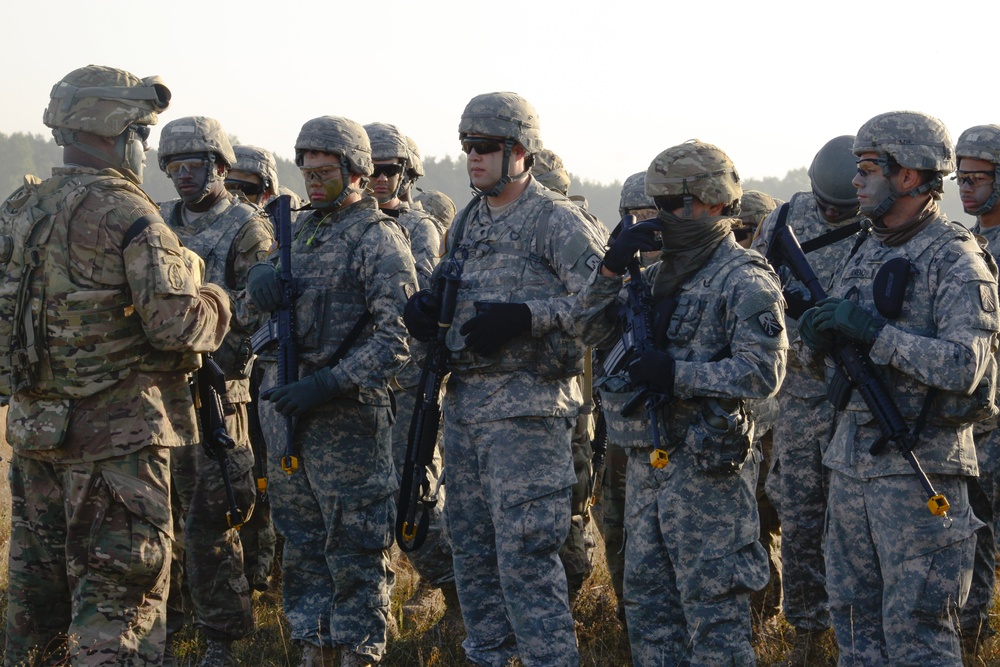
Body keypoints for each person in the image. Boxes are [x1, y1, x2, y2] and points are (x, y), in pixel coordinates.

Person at [2, 64, 231, 666]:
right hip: (119, 446)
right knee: (118, 610)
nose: (145, 147)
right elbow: (175, 326)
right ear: (113, 129)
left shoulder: (20, 210)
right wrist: (216, 299)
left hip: (35, 438)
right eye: (140, 131)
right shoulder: (128, 214)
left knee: (36, 614)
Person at [402, 91, 605, 666]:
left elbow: (604, 307)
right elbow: (451, 287)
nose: (472, 158)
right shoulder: (469, 219)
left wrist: (528, 318)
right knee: (473, 553)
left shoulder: (556, 220)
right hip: (467, 410)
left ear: (520, 151)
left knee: (526, 559)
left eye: (485, 148)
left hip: (529, 415)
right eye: (467, 147)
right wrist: (428, 310)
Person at [573, 140, 787, 666]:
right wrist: (609, 270)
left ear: (713, 203)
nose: (663, 216)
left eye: (673, 204)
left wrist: (678, 375)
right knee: (649, 611)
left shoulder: (744, 279)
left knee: (713, 616)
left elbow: (765, 372)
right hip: (647, 465)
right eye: (657, 204)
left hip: (707, 473)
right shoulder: (647, 277)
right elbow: (583, 328)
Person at [796, 111, 999, 665]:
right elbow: (828, 370)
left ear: (909, 176)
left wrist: (874, 333)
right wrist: (817, 340)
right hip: (850, 467)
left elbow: (965, 366)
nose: (855, 181)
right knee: (855, 629)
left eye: (868, 168)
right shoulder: (870, 248)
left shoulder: (955, 260)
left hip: (919, 471)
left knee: (919, 636)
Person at [246, 115, 418, 667]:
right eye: (307, 170)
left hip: (347, 425)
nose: (312, 181)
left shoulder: (377, 238)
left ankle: (357, 654)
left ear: (357, 173)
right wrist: (258, 284)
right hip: (287, 416)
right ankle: (313, 650)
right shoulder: (295, 233)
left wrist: (328, 383)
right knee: (301, 546)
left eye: (325, 171)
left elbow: (398, 338)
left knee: (355, 552)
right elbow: (258, 324)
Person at [157, 116, 275, 665]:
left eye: (193, 166)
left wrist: (203, 334)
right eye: (173, 166)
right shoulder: (156, 222)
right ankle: (166, 622)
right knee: (156, 518)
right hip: (156, 396)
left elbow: (254, 314)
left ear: (220, 169)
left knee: (213, 522)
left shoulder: (247, 228)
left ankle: (221, 639)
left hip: (216, 394)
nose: (182, 176)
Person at [750, 134, 863, 664]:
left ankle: (859, 635)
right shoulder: (786, 218)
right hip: (798, 397)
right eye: (827, 204)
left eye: (844, 208)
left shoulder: (883, 225)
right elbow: (755, 287)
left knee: (856, 530)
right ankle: (807, 633)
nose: (832, 213)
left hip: (859, 402)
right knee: (797, 518)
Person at [362, 121, 457, 625]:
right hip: (356, 386)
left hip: (405, 386)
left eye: (388, 170)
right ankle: (378, 611)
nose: (378, 179)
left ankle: (456, 588)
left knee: (411, 499)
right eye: (369, 169)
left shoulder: (418, 228)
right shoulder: (339, 225)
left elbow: (405, 300)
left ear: (406, 175)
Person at [592, 171, 659, 626]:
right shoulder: (615, 272)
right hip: (618, 423)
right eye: (633, 216)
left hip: (669, 426)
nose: (644, 224)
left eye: (653, 214)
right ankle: (628, 614)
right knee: (613, 517)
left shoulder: (689, 275)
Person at [224, 143, 281, 596]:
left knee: (267, 477)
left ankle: (265, 571)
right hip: (229, 374)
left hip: (261, 373)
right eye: (231, 187)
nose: (238, 196)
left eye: (248, 189)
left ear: (265, 192)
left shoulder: (263, 235)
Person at [952, 123, 1000, 659]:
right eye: (960, 177)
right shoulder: (966, 244)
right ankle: (971, 633)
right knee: (974, 531)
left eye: (977, 177)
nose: (965, 187)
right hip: (973, 416)